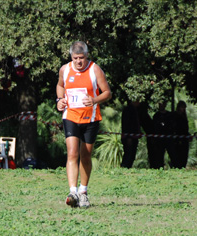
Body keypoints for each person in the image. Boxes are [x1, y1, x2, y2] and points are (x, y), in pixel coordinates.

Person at [56, 40, 111, 208]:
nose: (79, 62)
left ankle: (83, 192)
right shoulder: (65, 70)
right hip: (71, 116)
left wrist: (94, 100)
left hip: (91, 118)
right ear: (71, 57)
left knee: (85, 155)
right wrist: (59, 100)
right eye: (75, 58)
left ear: (87, 56)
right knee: (72, 153)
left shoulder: (95, 70)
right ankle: (72, 192)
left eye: (81, 58)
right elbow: (60, 85)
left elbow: (107, 92)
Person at [169, 101, 191, 169]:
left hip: (184, 139)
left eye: (184, 108)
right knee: (176, 155)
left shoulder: (184, 116)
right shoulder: (174, 116)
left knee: (184, 155)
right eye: (182, 107)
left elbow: (185, 128)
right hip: (176, 139)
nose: (183, 109)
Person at [120, 100, 141, 168]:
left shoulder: (135, 110)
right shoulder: (128, 110)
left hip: (133, 137)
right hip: (129, 137)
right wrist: (128, 137)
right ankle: (125, 167)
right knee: (128, 153)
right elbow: (127, 125)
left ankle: (127, 167)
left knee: (132, 154)